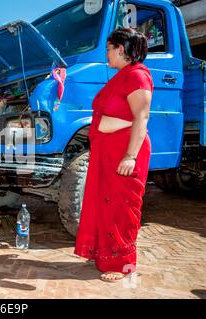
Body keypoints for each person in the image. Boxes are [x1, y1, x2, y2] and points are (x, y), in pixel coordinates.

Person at [74, 28, 154, 282]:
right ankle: (105, 254)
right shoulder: (121, 76)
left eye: (109, 48)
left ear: (121, 49)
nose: (106, 53)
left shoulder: (138, 77)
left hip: (124, 152)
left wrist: (130, 156)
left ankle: (123, 264)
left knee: (123, 206)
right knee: (105, 204)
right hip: (107, 153)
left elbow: (141, 117)